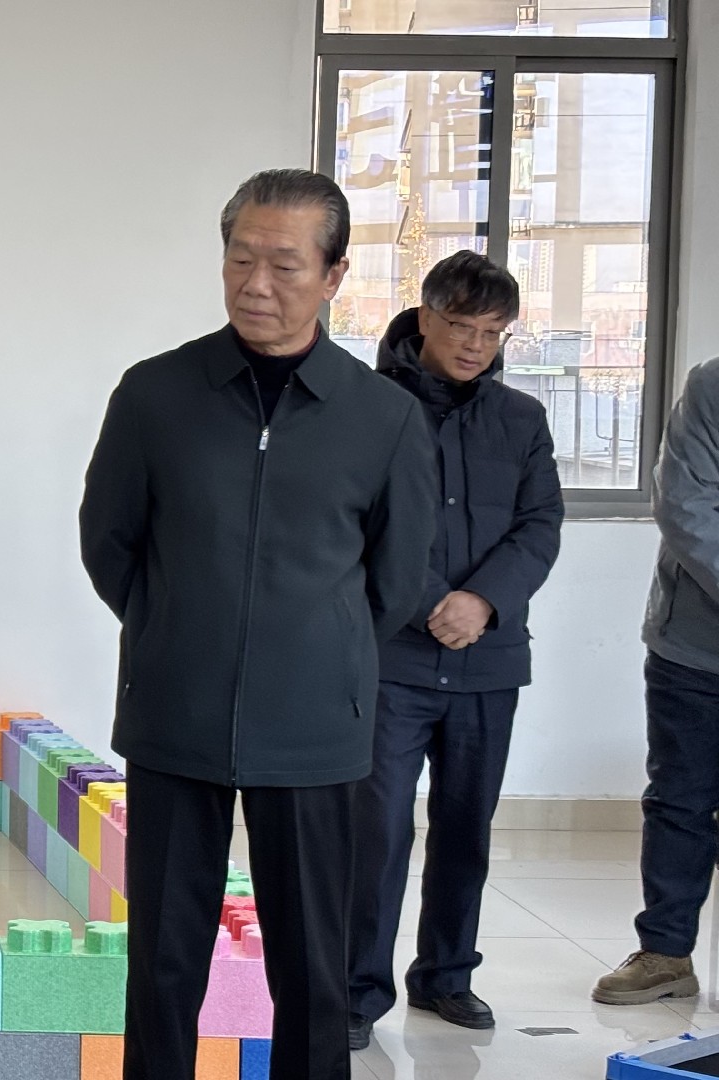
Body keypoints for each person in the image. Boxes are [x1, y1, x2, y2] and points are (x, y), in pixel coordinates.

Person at [78, 169, 436, 1080]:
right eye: (241, 259)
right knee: (163, 964)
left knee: (313, 969)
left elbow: (396, 581)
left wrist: (315, 652)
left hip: (316, 733)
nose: (256, 285)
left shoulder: (384, 417)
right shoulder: (155, 395)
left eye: (284, 264)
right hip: (175, 715)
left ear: (334, 275)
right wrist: (175, 628)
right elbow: (110, 543)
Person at [346, 251, 562, 1046]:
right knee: (378, 832)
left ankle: (446, 977)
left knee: (467, 827)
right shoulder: (369, 408)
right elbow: (358, 520)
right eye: (464, 326)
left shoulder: (521, 419)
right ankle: (356, 991)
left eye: (493, 332)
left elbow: (540, 525)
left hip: (488, 659)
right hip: (393, 658)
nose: (477, 345)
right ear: (426, 317)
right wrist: (432, 599)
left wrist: (483, 601)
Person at [591, 354, 719, 1007]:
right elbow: (687, 509)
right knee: (680, 802)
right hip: (695, 648)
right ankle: (666, 954)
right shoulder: (712, 386)